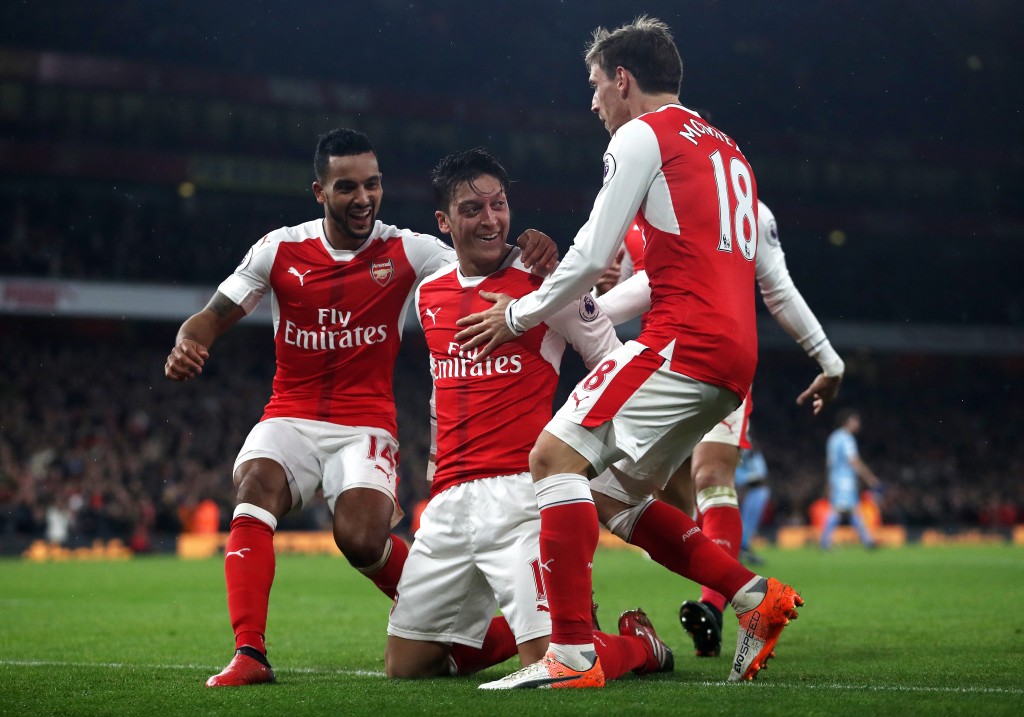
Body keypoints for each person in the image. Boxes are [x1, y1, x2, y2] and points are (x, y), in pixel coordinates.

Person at [454, 17, 802, 687]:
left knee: (551, 457)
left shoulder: (644, 134)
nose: (592, 103)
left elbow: (588, 254)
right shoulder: (727, 147)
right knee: (611, 498)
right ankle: (755, 597)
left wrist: (520, 314)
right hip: (733, 361)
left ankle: (572, 653)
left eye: (594, 86)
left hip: (681, 340)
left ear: (623, 79)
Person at [163, 128, 557, 688]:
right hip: (290, 413)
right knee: (254, 485)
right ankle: (249, 652)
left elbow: (484, 258)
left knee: (362, 538)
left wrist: (531, 246)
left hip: (365, 422)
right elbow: (212, 313)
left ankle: (479, 639)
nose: (363, 198)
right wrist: (190, 340)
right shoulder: (279, 249)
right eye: (347, 187)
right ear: (319, 191)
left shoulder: (409, 250)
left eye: (372, 185)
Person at [383, 148, 673, 684]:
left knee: (555, 664)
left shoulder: (551, 283)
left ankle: (640, 646)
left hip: (522, 495)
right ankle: (537, 630)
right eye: (472, 209)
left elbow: (610, 358)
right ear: (444, 223)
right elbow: (439, 388)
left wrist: (582, 449)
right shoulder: (429, 294)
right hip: (447, 500)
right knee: (407, 668)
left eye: (499, 204)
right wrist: (429, 468)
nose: (491, 219)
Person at [596, 199, 845, 658]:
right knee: (655, 495)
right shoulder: (633, 201)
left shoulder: (746, 206)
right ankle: (728, 581)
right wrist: (599, 297)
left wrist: (827, 356)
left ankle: (713, 605)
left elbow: (779, 288)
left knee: (711, 477)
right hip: (656, 362)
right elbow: (642, 284)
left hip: (718, 354)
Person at [821, 408, 881, 549]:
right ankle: (824, 542)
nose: (858, 423)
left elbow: (829, 463)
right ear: (847, 422)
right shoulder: (846, 438)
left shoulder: (833, 438)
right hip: (844, 479)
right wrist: (869, 477)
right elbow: (853, 460)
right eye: (855, 420)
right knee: (838, 510)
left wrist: (828, 481)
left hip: (836, 477)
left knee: (854, 510)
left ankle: (867, 541)